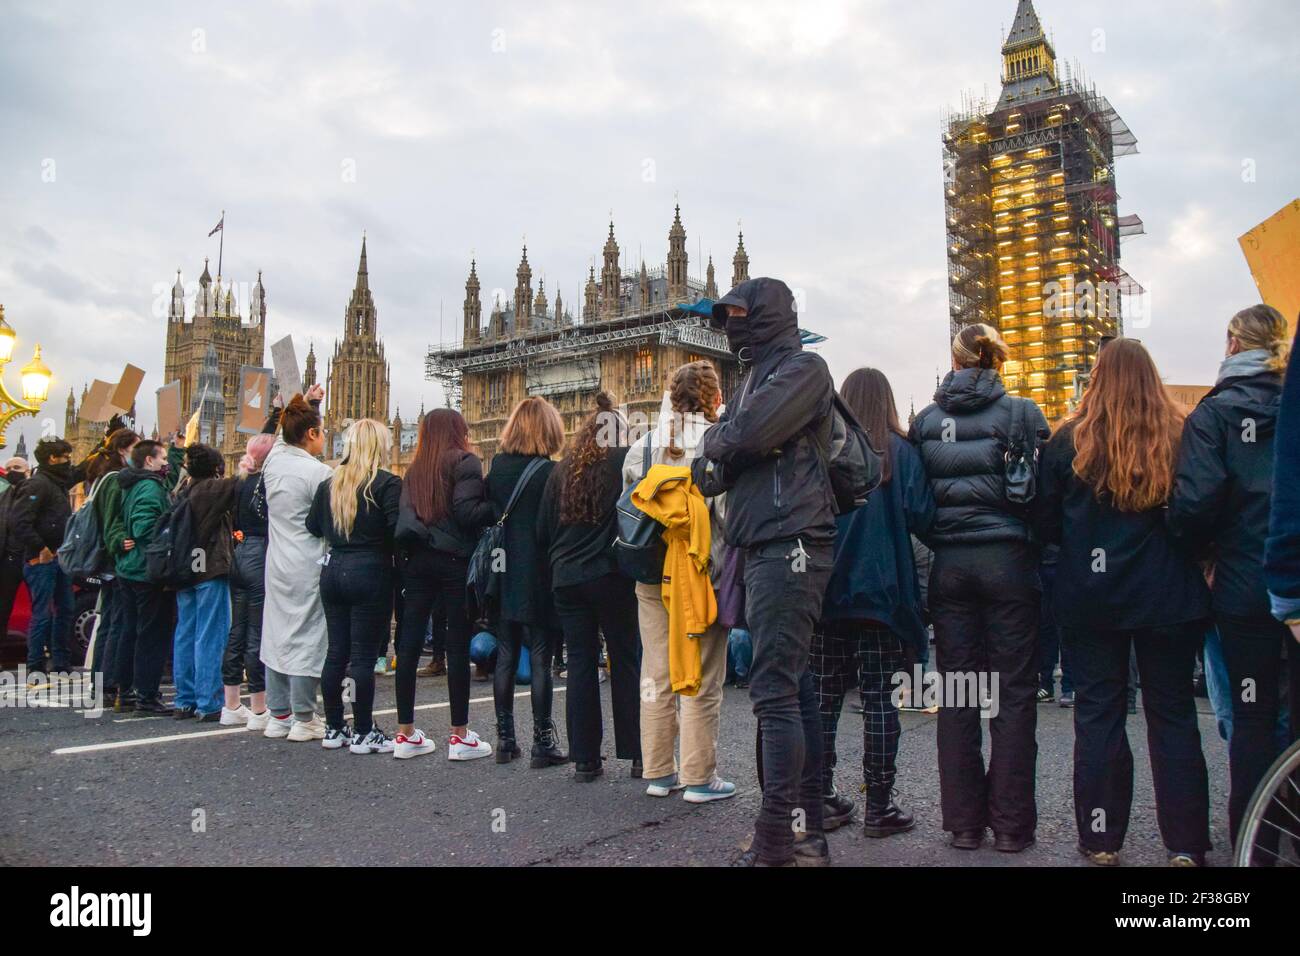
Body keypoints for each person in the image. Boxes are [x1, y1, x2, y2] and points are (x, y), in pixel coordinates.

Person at [1036, 338, 1212, 866]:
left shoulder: (1067, 441)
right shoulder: (1181, 435)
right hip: (1168, 597)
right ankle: (1185, 844)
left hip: (1092, 599)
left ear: (1096, 377)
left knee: (1098, 714)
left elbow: (1044, 522)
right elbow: (1196, 511)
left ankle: (1102, 839)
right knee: (1173, 714)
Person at [689, 277, 836, 867]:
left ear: (771, 314)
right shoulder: (750, 378)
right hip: (758, 543)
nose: (732, 326)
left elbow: (742, 436)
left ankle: (776, 837)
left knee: (773, 691)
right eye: (727, 316)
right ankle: (808, 833)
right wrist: (726, 443)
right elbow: (708, 471)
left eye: (742, 314)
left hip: (792, 541)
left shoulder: (805, 370)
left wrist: (726, 439)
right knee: (792, 686)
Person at [909, 323, 1050, 853]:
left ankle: (964, 824)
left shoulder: (926, 422)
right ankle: (1012, 827)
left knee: (958, 692)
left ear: (955, 358)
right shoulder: (1023, 415)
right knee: (1014, 694)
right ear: (997, 360)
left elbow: (918, 503)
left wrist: (942, 537)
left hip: (951, 566)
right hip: (1009, 561)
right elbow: (1043, 493)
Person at [1168, 304, 1294, 860]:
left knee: (1253, 713)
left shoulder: (1213, 416)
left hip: (1242, 583)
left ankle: (1257, 837)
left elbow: (1194, 503)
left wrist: (1203, 555)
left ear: (1231, 343)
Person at [816, 368, 935, 837]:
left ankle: (822, 798)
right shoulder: (901, 452)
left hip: (828, 591)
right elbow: (925, 516)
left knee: (824, 700)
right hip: (884, 593)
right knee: (880, 702)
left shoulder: (827, 448)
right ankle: (878, 807)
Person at [622, 362, 736, 802]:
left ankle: (658, 772)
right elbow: (728, 517)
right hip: (701, 572)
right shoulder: (718, 445)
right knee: (703, 677)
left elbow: (633, 504)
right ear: (712, 398)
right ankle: (699, 778)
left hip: (652, 573)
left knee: (656, 672)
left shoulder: (646, 446)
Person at [536, 392, 635, 780]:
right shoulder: (623, 461)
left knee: (579, 662)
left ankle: (585, 759)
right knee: (626, 660)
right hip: (610, 575)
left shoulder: (561, 471)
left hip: (567, 579)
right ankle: (638, 753)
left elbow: (542, 531)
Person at [394, 408, 496, 760]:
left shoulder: (415, 469)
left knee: (408, 643)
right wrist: (493, 504)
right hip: (454, 562)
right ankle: (459, 735)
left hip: (419, 561)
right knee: (456, 644)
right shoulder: (465, 462)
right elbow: (468, 513)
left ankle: (405, 733)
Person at [308, 419, 401, 752]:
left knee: (336, 652)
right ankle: (363, 730)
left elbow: (312, 525)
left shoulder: (330, 484)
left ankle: (335, 728)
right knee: (362, 658)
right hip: (370, 571)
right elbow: (397, 531)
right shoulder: (387, 484)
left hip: (333, 570)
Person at [485, 397, 565, 764]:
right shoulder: (550, 473)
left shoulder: (497, 468)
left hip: (502, 572)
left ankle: (505, 741)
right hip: (538, 573)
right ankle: (542, 742)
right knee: (540, 658)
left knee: (505, 654)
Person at [260, 387, 333, 742]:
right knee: (307, 637)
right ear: (311, 434)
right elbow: (329, 523)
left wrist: (307, 404)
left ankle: (278, 715)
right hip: (308, 562)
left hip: (276, 562)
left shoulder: (273, 461)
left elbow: (276, 436)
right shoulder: (318, 474)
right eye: (322, 430)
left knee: (276, 633)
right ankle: (304, 718)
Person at [169, 444, 242, 722]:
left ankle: (183, 700)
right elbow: (246, 475)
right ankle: (209, 701)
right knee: (210, 636)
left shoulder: (182, 490)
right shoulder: (213, 489)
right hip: (209, 570)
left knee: (185, 634)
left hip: (184, 571)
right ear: (215, 468)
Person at [9, 437, 90, 678]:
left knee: (65, 609)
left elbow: (81, 469)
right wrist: (41, 548)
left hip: (59, 558)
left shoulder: (57, 482)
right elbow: (19, 521)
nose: (69, 462)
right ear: (52, 459)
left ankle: (61, 662)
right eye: (65, 457)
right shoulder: (37, 485)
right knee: (42, 612)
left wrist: (106, 443)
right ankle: (35, 664)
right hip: (41, 560)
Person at [115, 438, 184, 713]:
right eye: (163, 457)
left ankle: (127, 693)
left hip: (129, 568)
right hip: (146, 571)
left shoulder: (133, 484)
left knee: (130, 631)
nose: (166, 462)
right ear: (148, 461)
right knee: (150, 635)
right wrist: (170, 524)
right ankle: (145, 695)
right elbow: (144, 526)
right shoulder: (149, 488)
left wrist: (177, 450)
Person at [220, 433, 275, 728]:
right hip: (260, 555)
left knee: (237, 631)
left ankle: (231, 706)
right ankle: (258, 709)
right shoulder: (266, 483)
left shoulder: (240, 481)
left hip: (239, 555)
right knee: (257, 633)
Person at [87, 428, 141, 705]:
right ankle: (106, 683)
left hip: (110, 560)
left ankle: (101, 683)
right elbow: (111, 522)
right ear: (122, 450)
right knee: (115, 622)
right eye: (136, 447)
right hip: (114, 561)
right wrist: (120, 542)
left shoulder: (105, 476)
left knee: (109, 621)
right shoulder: (114, 479)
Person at [0, 457, 30, 643]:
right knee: (4, 608)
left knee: (43, 608)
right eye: (9, 468)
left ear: (27, 471)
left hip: (32, 558)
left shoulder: (36, 493)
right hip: (9, 558)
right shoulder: (3, 496)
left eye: (17, 468)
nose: (12, 471)